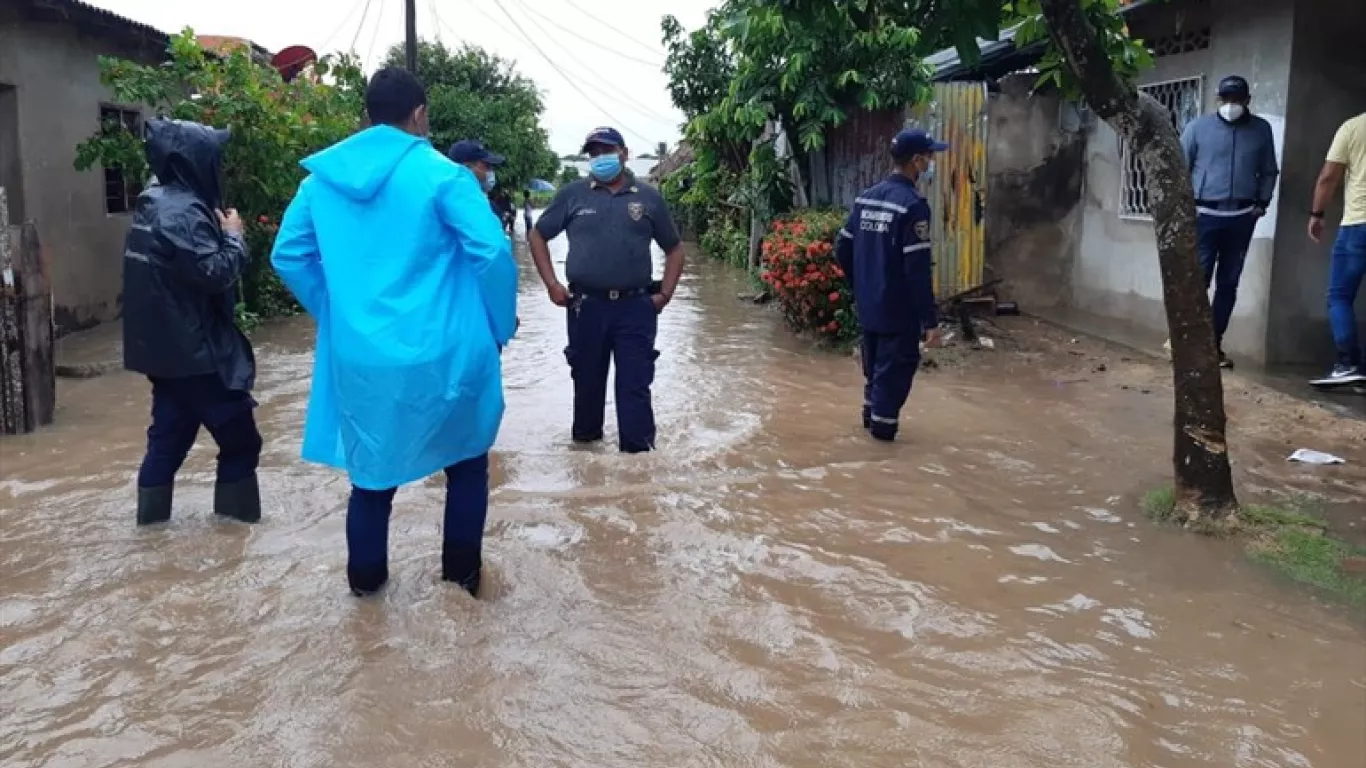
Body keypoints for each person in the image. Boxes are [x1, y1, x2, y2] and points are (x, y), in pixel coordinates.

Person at [270, 67, 517, 597]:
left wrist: (339, 315)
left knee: (371, 481)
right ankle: (462, 588)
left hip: (361, 359)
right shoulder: (445, 176)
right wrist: (499, 323)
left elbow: (287, 255)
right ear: (420, 114)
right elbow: (492, 252)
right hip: (448, 352)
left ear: (368, 114)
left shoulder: (320, 183)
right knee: (467, 465)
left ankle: (367, 599)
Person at [122, 118, 263, 527]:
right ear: (195, 160)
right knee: (241, 443)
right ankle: (235, 541)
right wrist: (235, 235)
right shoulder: (184, 212)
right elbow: (216, 272)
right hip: (197, 352)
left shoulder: (153, 200)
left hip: (164, 354)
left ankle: (150, 539)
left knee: (167, 442)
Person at [528, 126, 684, 453]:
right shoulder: (573, 195)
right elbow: (538, 236)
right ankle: (586, 474)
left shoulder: (648, 198)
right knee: (586, 387)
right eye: (594, 153)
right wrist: (552, 285)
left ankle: (639, 472)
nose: (600, 158)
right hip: (586, 307)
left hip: (636, 308)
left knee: (635, 391)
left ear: (624, 153)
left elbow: (675, 250)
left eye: (607, 151)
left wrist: (664, 295)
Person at [835, 128, 945, 443]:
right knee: (892, 380)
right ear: (916, 161)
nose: (931, 161)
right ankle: (880, 455)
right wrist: (930, 322)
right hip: (898, 313)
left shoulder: (864, 198)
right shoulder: (913, 206)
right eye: (930, 155)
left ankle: (868, 437)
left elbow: (842, 248)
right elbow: (917, 269)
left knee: (874, 377)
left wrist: (862, 284)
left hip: (868, 308)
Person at [1179, 74, 1280, 369]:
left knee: (1228, 283)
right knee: (1198, 279)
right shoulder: (1197, 128)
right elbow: (1181, 168)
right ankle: (1187, 343)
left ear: (1248, 100)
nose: (1231, 105)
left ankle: (1213, 345)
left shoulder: (1260, 130)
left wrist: (1262, 203)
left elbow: (1269, 170)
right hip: (1204, 215)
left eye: (1237, 100)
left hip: (1241, 217)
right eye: (1227, 99)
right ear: (1218, 99)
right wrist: (1185, 208)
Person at [1308, 112, 1366, 387]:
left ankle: (1348, 363)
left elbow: (1328, 177)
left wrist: (1317, 214)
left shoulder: (1353, 127)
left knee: (1339, 296)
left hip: (1358, 224)